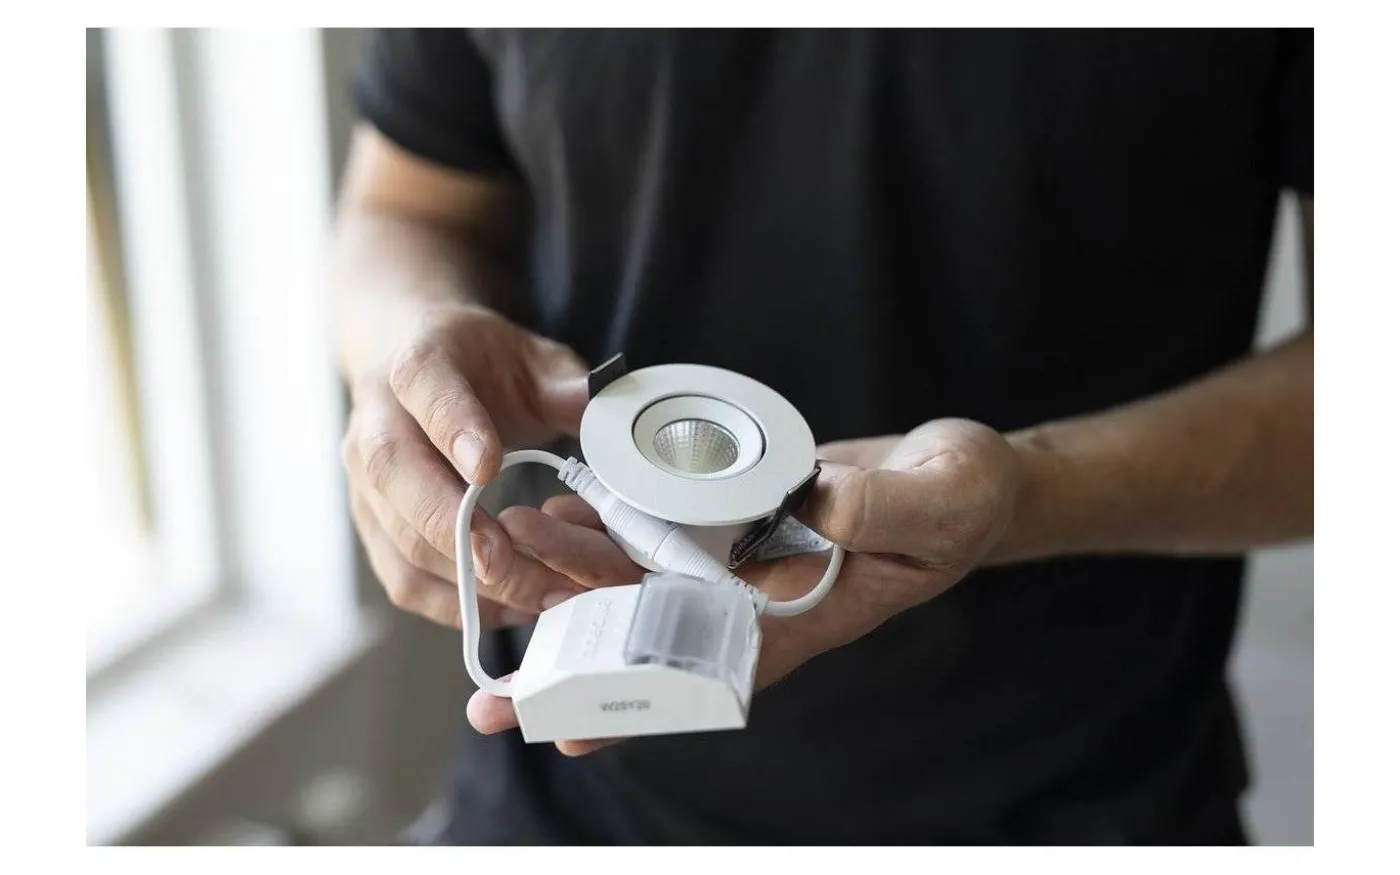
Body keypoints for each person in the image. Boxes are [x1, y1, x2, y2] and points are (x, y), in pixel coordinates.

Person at [333, 29, 1313, 845]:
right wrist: (407, 356)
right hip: (560, 796)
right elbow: (405, 205)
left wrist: (1027, 490)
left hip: (1075, 803)